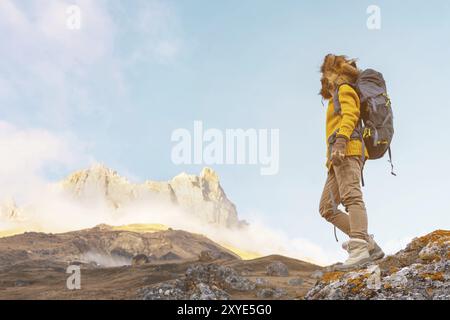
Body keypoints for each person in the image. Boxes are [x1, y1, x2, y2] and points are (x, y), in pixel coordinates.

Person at [318, 54, 384, 270]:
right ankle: (369, 244)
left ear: (334, 73)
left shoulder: (344, 89)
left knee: (352, 197)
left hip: (346, 150)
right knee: (326, 208)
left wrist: (341, 141)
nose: (324, 80)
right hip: (336, 157)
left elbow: (351, 115)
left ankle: (359, 251)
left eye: (326, 74)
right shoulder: (337, 93)